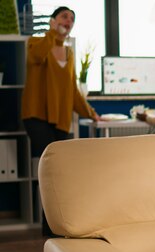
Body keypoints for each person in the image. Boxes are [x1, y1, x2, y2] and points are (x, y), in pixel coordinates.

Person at [21, 6, 99, 237]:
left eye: (72, 18)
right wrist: (51, 32)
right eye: (64, 16)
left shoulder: (70, 53)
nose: (69, 21)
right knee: (49, 170)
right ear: (53, 20)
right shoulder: (36, 42)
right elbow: (35, 58)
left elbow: (73, 92)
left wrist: (92, 113)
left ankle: (52, 226)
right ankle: (51, 228)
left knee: (59, 172)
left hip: (60, 119)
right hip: (37, 116)